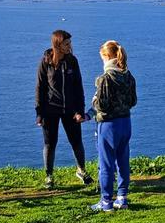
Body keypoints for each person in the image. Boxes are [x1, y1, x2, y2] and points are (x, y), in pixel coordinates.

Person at [35, 30, 92, 188]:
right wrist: (39, 113)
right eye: (66, 44)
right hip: (50, 110)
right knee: (50, 143)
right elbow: (40, 88)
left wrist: (80, 111)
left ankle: (81, 170)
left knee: (76, 141)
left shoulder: (72, 61)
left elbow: (78, 88)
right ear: (58, 45)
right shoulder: (46, 61)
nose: (70, 46)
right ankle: (49, 176)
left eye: (70, 43)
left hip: (71, 110)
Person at [89, 40, 137, 212]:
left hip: (108, 125)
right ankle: (122, 197)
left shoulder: (105, 79)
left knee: (106, 163)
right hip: (126, 122)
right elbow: (133, 101)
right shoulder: (128, 76)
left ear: (107, 57)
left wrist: (93, 101)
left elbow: (101, 105)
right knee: (123, 161)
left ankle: (106, 200)